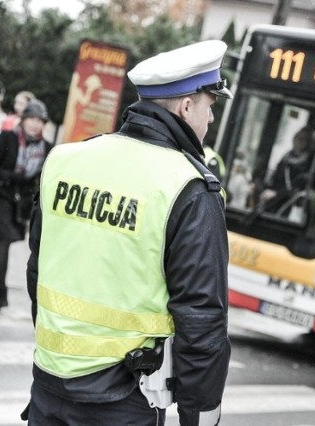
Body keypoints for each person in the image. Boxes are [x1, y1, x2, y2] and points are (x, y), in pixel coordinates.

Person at [22, 40, 232, 426]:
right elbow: (201, 317)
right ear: (187, 106)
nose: (211, 119)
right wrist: (200, 415)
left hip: (48, 385)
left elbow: (38, 269)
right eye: (210, 105)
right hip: (125, 398)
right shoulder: (188, 186)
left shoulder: (65, 160)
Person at [0, 100, 51, 309]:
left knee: (1, 242)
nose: (35, 124)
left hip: (20, 202)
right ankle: (2, 290)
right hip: (0, 194)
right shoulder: (9, 138)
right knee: (3, 238)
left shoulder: (46, 149)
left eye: (40, 121)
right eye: (31, 119)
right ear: (23, 120)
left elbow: (44, 178)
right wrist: (10, 176)